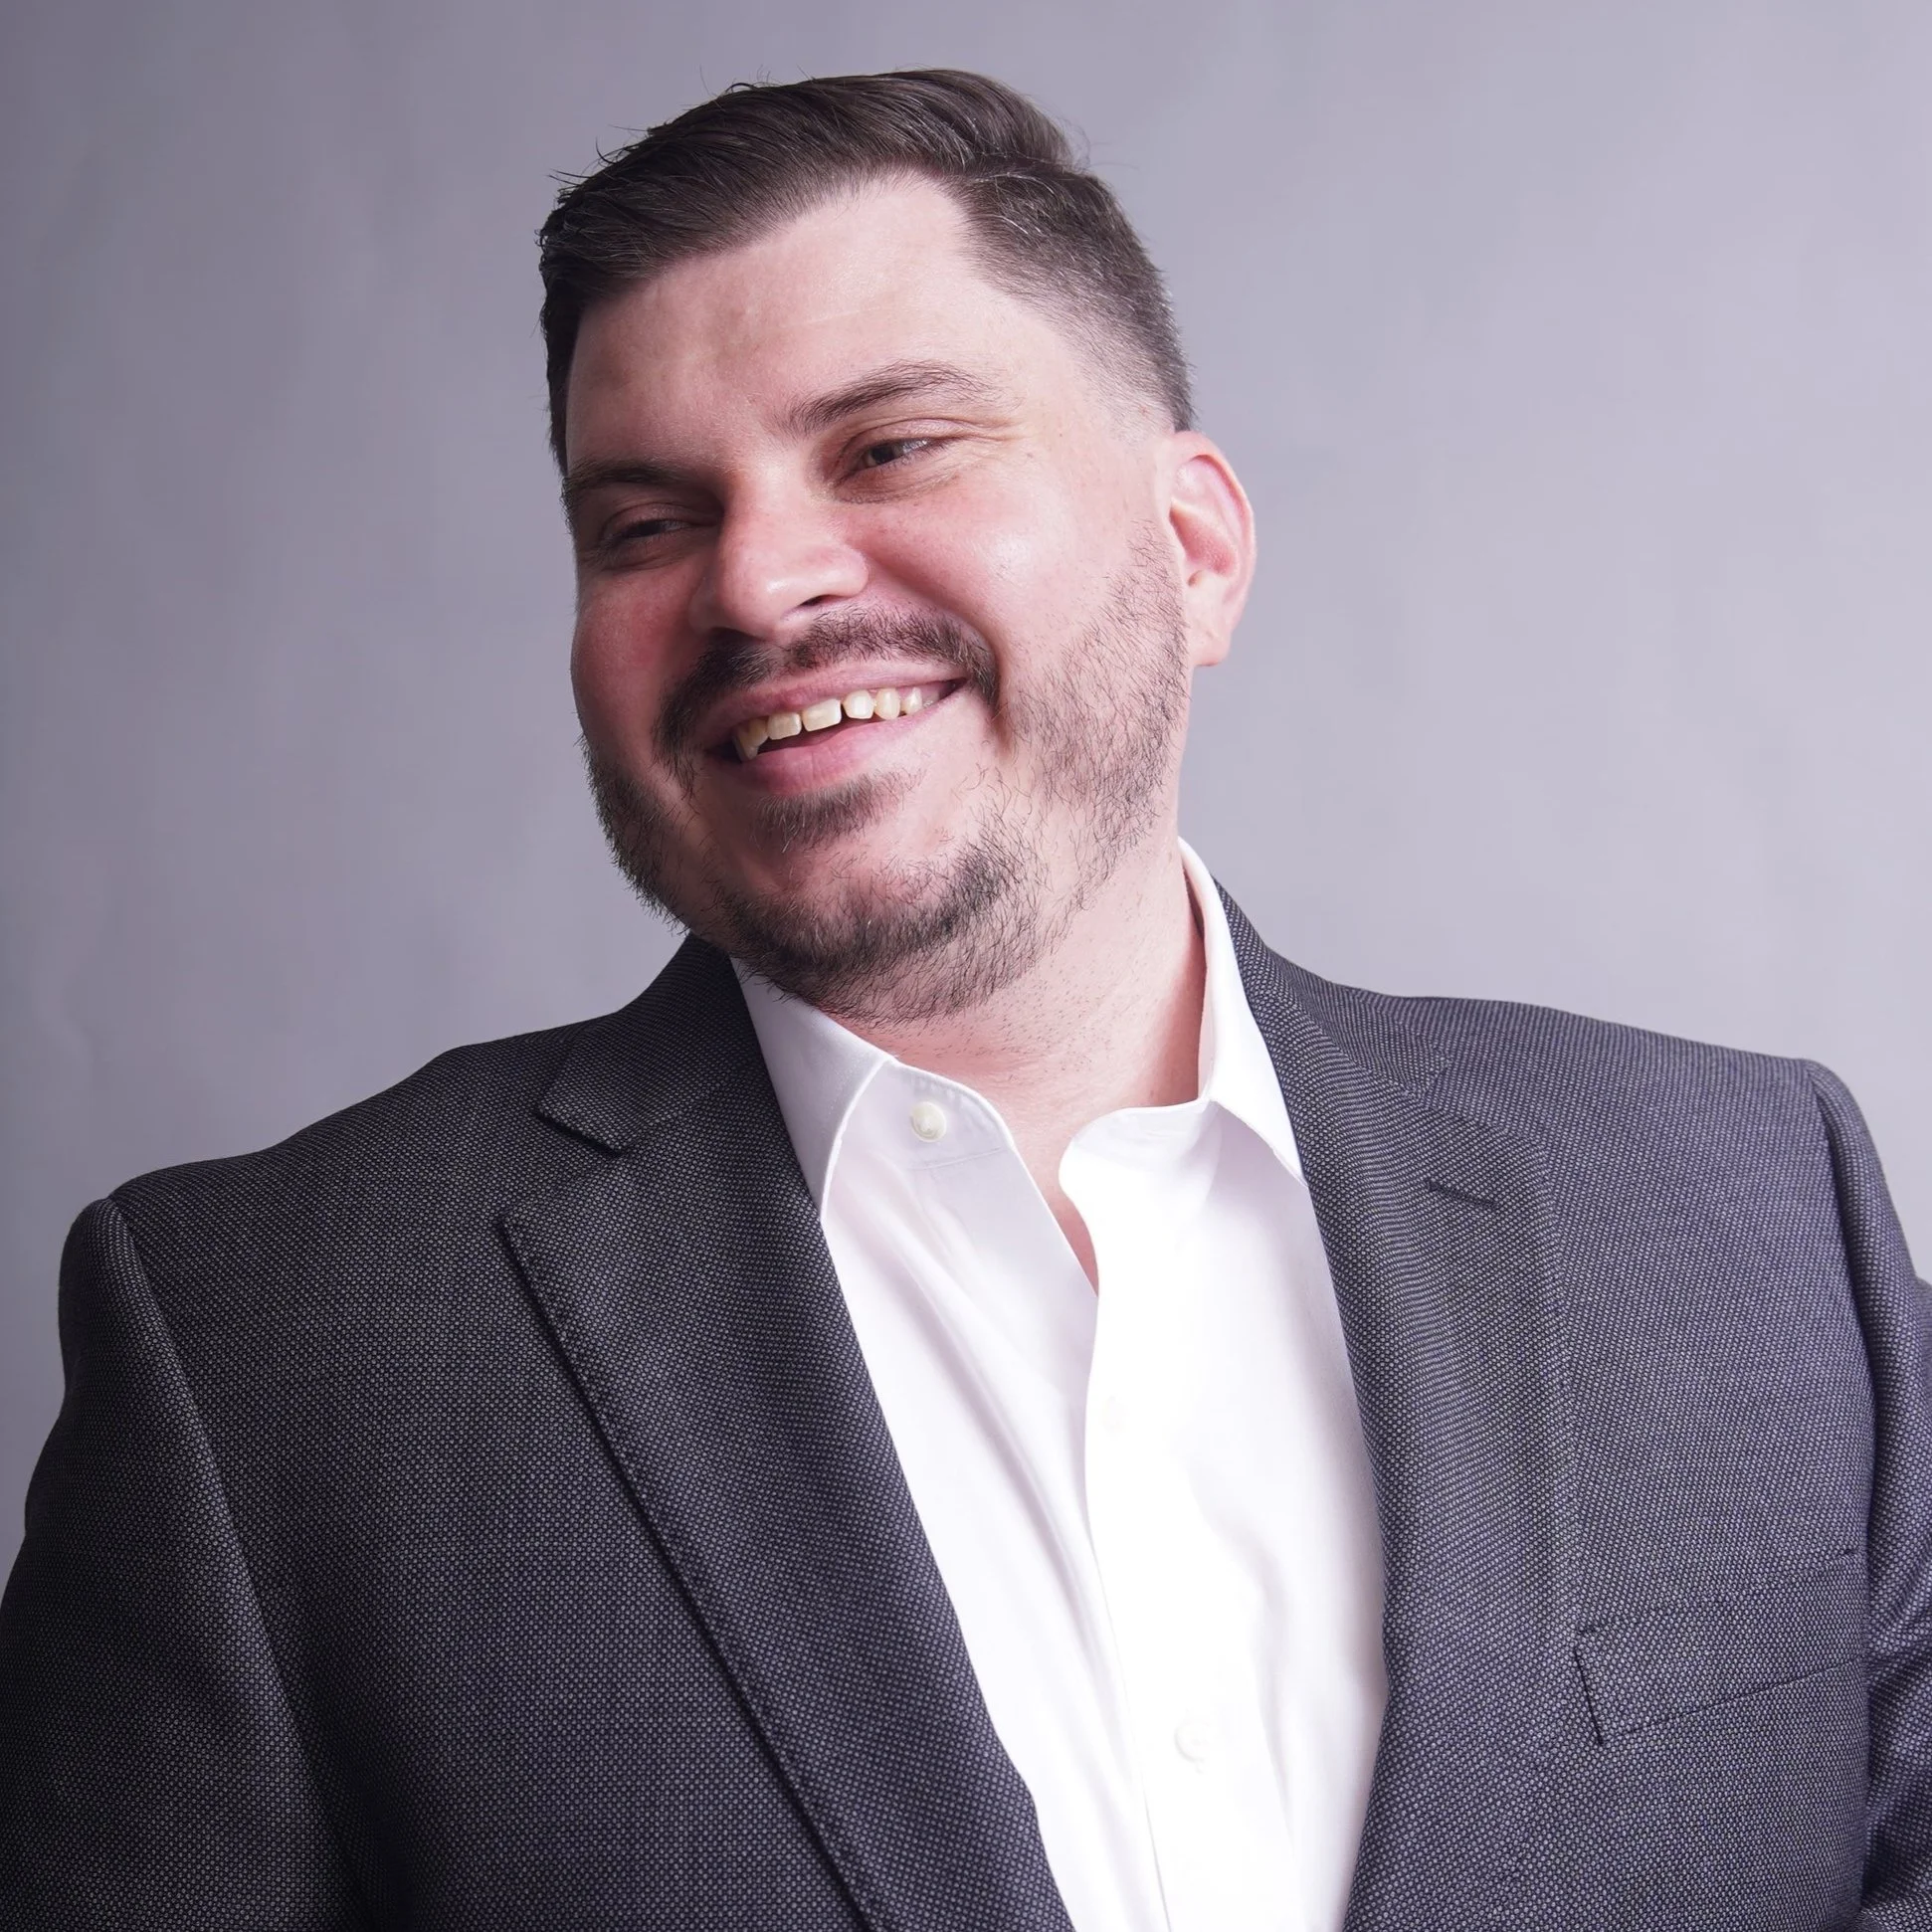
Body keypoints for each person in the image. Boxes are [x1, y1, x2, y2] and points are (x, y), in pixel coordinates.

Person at [0, 67, 1925, 1932]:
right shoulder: (260, 1357)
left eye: (889, 447)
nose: (755, 585)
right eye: (644, 523)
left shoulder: (1750, 1210)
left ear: (1192, 547)